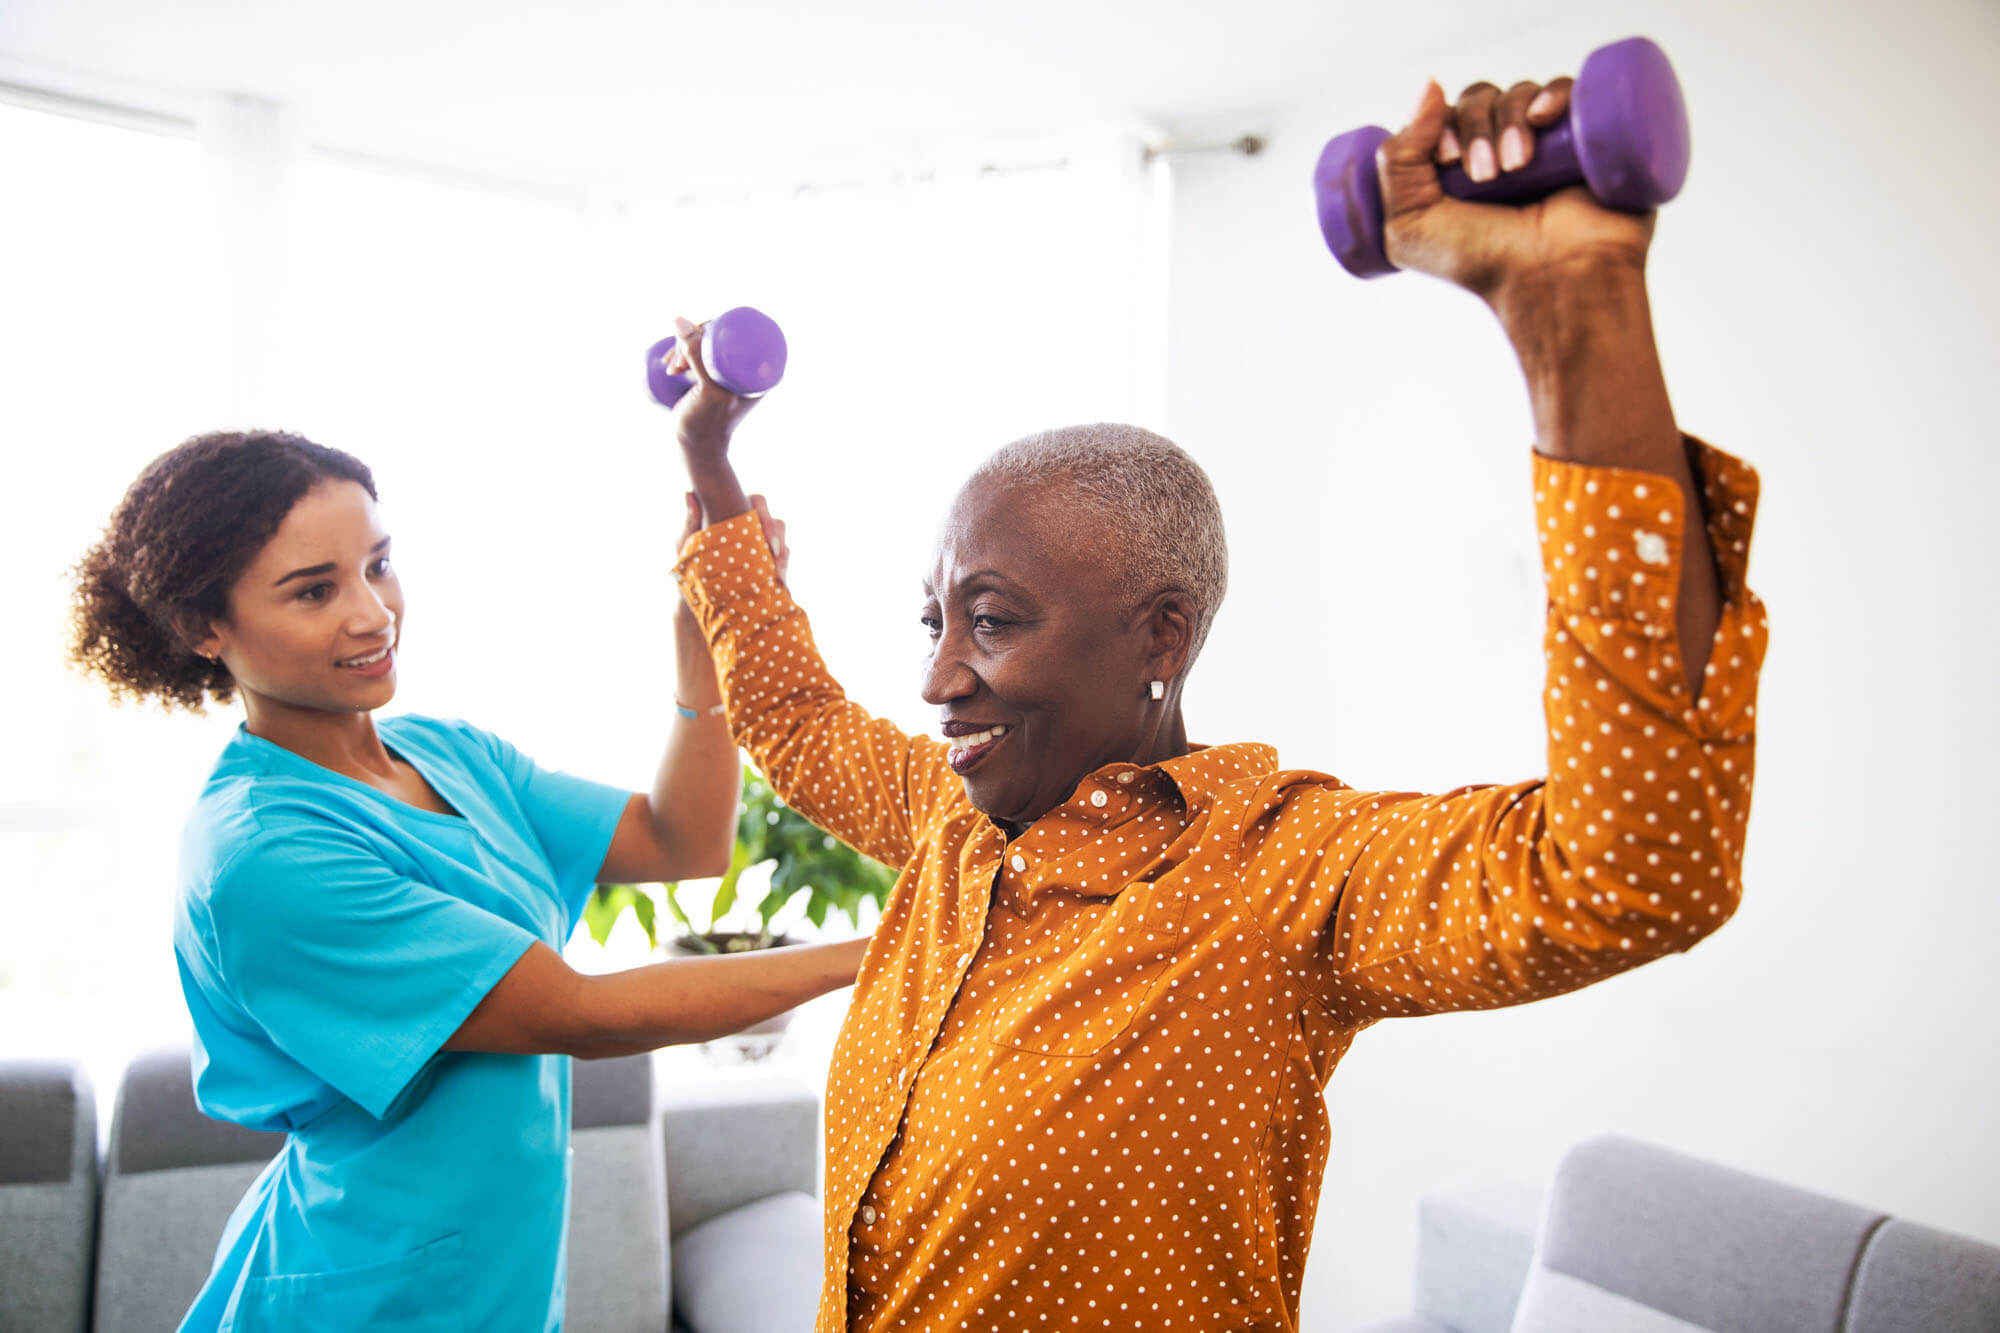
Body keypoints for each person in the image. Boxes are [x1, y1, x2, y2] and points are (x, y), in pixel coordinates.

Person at [661, 68, 1768, 1332]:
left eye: (992, 619)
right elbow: (794, 719)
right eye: (933, 619)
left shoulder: (1281, 882)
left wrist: (1577, 311)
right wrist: (709, 460)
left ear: (1161, 634)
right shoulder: (947, 826)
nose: (936, 676)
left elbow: (1629, 870)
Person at [67, 430, 869, 1330]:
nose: (372, 613)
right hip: (368, 1297)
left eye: (378, 563)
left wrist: (703, 641)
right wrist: (892, 949)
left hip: (499, 1287)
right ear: (201, 627)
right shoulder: (263, 853)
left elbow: (679, 839)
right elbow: (582, 1014)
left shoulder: (448, 754)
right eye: (314, 589)